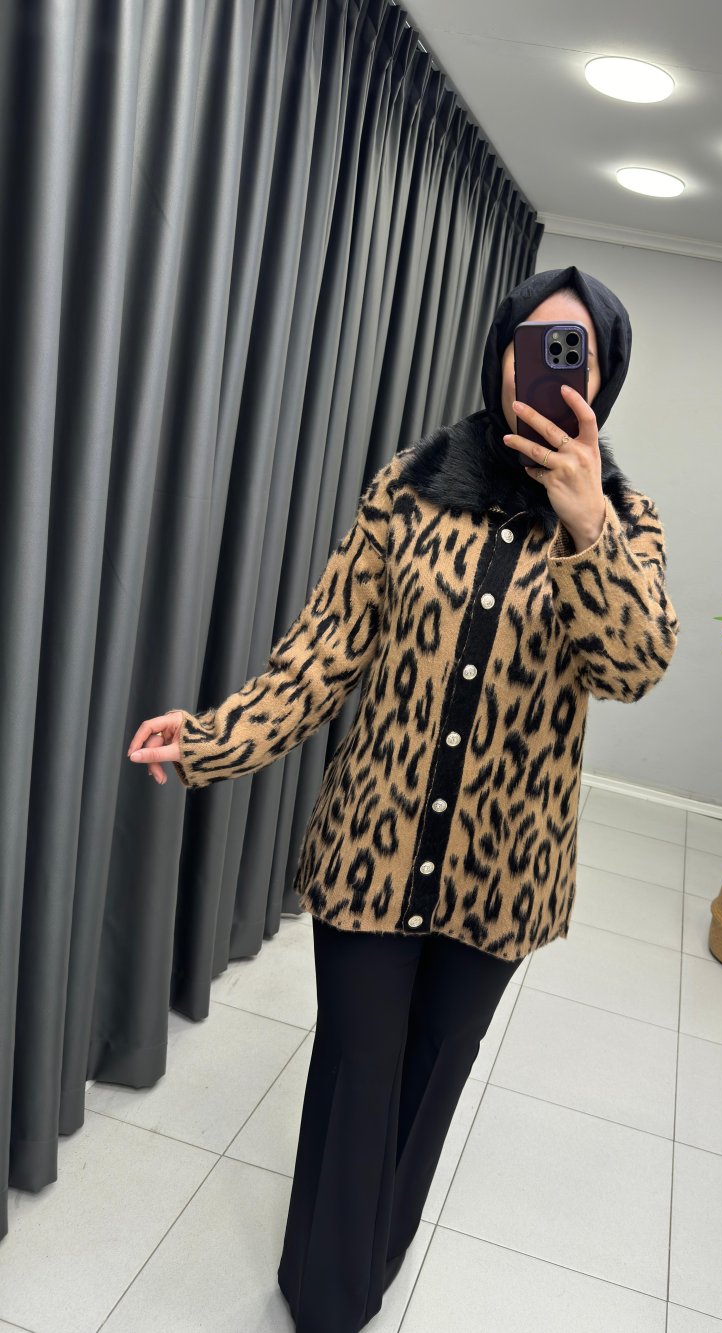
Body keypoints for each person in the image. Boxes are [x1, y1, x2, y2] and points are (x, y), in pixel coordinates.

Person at [125, 266, 679, 1331]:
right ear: (499, 350)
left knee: (429, 1082)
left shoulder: (625, 519)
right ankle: (327, 1298)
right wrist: (209, 738)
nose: (547, 370)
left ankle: (364, 1265)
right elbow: (324, 650)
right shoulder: (412, 485)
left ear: (604, 379)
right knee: (357, 1068)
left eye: (574, 354)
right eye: (531, 342)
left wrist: (586, 530)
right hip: (368, 850)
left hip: (503, 871)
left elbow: (634, 665)